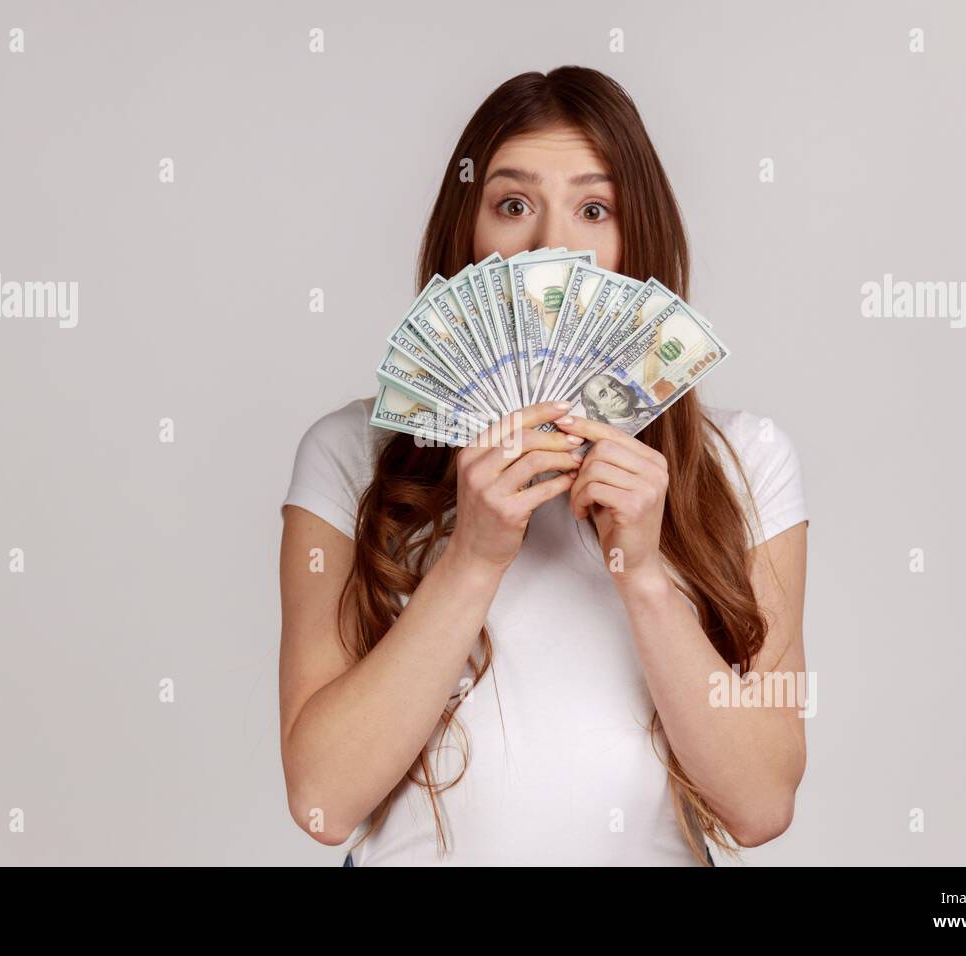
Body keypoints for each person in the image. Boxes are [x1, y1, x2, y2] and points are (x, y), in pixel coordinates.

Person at [279, 66, 809, 867]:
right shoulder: (350, 455)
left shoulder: (743, 462)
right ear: (468, 235)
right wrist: (470, 559)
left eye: (595, 209)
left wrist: (643, 576)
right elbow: (322, 800)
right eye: (514, 205)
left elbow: (762, 804)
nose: (553, 246)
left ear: (641, 245)